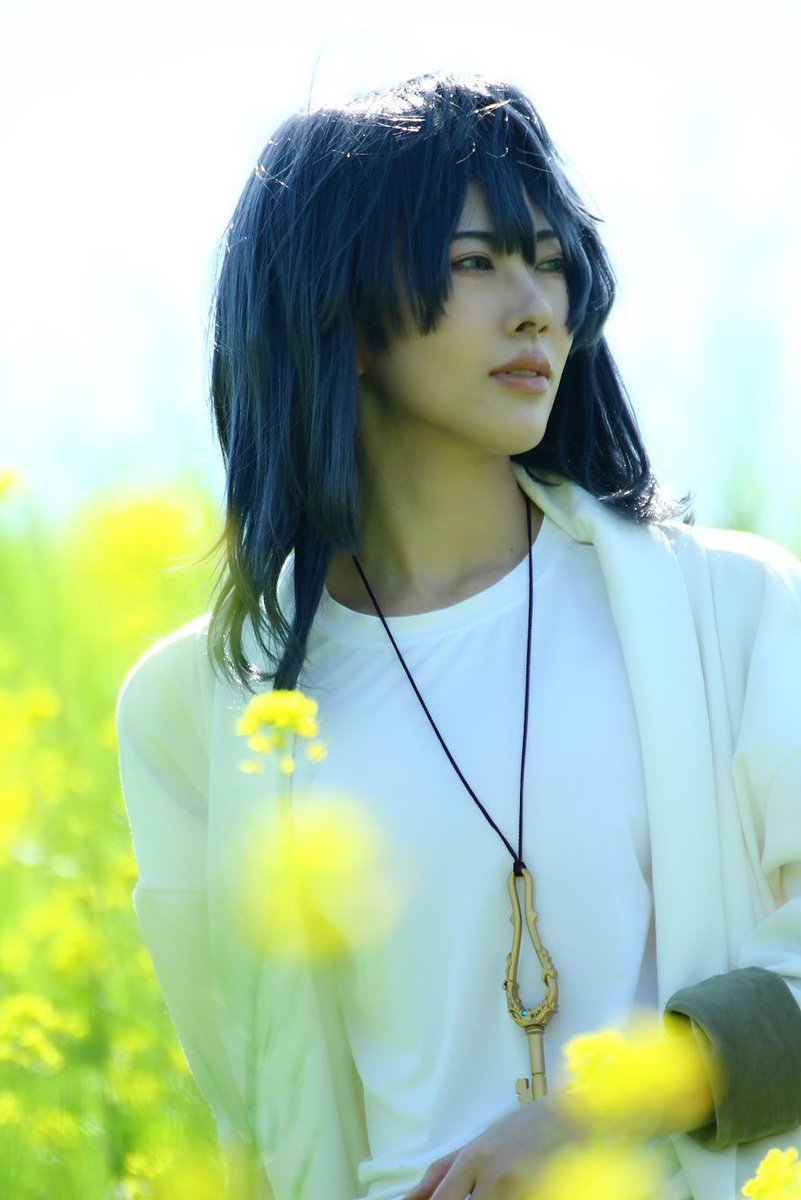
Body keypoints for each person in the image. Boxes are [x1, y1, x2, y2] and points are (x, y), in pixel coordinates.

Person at [116, 72, 801, 1200]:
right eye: (475, 263)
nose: (536, 307)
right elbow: (256, 1110)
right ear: (339, 312)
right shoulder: (197, 704)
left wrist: (595, 1113)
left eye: (550, 262)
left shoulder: (728, 609)